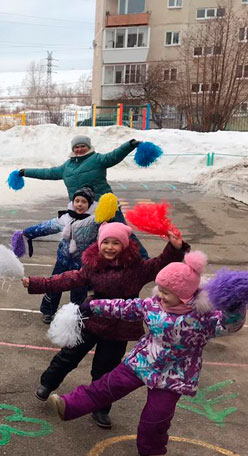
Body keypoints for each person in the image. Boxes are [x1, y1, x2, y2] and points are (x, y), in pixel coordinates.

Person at [48, 252, 245, 456]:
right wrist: (92, 307)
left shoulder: (204, 317)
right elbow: (123, 307)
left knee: (158, 416)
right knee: (105, 387)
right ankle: (70, 405)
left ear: (186, 295)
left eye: (167, 292)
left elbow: (228, 325)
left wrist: (234, 307)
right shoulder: (152, 305)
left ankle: (151, 449)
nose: (160, 295)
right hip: (141, 361)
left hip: (175, 374)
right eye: (159, 289)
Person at [22, 222, 187, 429]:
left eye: (116, 243)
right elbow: (67, 279)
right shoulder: (93, 266)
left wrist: (175, 247)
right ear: (99, 244)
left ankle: (100, 407)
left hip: (120, 326)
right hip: (91, 319)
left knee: (106, 368)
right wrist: (37, 283)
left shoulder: (138, 268)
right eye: (105, 242)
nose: (109, 247)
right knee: (69, 355)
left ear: (125, 246)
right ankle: (47, 383)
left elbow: (161, 263)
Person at [18, 135, 147, 257]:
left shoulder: (97, 159)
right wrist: (25, 172)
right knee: (90, 242)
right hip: (82, 209)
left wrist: (129, 145)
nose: (79, 149)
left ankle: (144, 259)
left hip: (105, 208)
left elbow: (114, 156)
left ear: (88, 147)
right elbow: (47, 173)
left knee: (122, 233)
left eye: (82, 146)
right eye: (76, 147)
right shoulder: (66, 166)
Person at [15, 186, 101, 323]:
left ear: (90, 204)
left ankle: (77, 315)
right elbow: (46, 227)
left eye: (84, 202)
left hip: (82, 264)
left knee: (79, 291)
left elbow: (107, 234)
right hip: (63, 260)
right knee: (54, 285)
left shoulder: (95, 221)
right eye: (77, 201)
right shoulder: (65, 218)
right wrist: (26, 232)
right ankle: (48, 311)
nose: (79, 204)